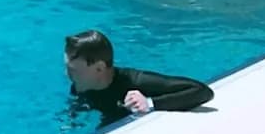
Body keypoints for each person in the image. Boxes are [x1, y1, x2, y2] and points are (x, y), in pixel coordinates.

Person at [64, 30, 214, 127]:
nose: (67, 74)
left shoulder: (135, 81)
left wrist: (150, 103)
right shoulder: (79, 83)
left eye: (72, 70)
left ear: (99, 68)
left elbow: (202, 91)